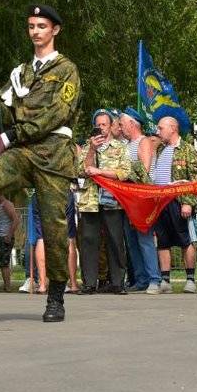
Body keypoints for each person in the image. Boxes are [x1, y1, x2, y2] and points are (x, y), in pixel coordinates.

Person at [0, 4, 80, 320]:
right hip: (25, 150)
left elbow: (59, 113)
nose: (36, 32)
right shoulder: (21, 73)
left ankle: (55, 295)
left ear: (54, 30)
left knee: (54, 228)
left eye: (42, 26)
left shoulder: (66, 70)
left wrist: (15, 132)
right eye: (31, 26)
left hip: (53, 153)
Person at [78, 110, 131, 294]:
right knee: (88, 241)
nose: (100, 128)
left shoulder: (119, 147)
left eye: (104, 125)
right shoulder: (87, 147)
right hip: (90, 201)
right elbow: (81, 170)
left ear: (110, 127)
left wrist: (100, 172)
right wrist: (92, 149)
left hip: (112, 200)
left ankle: (117, 282)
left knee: (115, 240)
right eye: (98, 125)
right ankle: (89, 283)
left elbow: (124, 172)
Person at [150, 116, 197, 293]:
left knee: (185, 239)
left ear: (173, 128)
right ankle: (165, 280)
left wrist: (188, 202)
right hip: (161, 201)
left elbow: (194, 180)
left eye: (160, 128)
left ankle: (190, 279)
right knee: (163, 240)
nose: (158, 131)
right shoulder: (160, 149)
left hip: (179, 201)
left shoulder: (187, 149)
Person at [119, 108, 161, 293]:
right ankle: (141, 278)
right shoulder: (126, 145)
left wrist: (122, 175)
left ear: (132, 124)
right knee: (131, 240)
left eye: (121, 124)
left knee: (144, 239)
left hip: (142, 198)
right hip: (128, 200)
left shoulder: (143, 142)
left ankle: (154, 279)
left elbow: (143, 170)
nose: (120, 128)